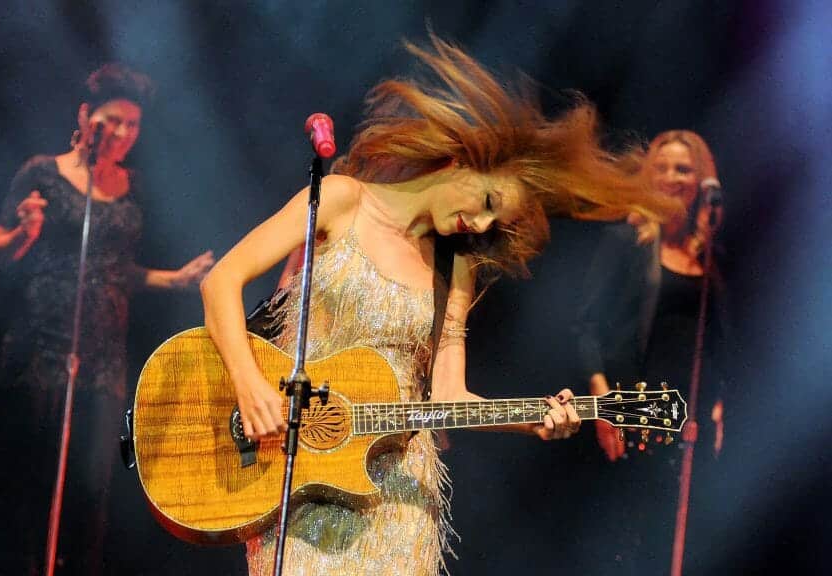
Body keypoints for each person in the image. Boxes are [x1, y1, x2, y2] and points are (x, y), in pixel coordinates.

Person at [200, 35, 677, 575]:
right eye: (487, 202)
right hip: (297, 471)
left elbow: (450, 396)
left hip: (398, 499)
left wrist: (529, 422)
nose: (478, 225)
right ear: (459, 161)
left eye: (493, 225)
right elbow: (222, 281)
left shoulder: (456, 273)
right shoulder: (339, 199)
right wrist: (249, 383)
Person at [0, 63, 214, 575]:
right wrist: (25, 231)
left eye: (132, 125)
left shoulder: (132, 189)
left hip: (104, 361)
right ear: (86, 116)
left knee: (91, 495)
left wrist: (172, 279)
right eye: (112, 120)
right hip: (42, 348)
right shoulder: (42, 172)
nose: (122, 134)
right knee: (34, 488)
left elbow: (117, 271)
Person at [572, 129, 729, 573]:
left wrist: (716, 404)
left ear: (701, 179)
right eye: (661, 168)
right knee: (625, 543)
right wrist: (603, 404)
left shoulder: (709, 253)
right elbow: (586, 325)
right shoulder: (629, 242)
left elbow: (716, 340)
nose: (671, 177)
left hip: (689, 423)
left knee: (674, 543)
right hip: (633, 415)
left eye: (682, 168)